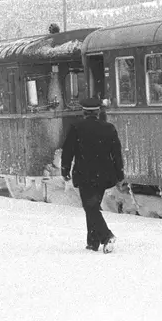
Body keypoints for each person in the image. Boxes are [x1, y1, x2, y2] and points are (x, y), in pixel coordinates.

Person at [61, 97, 124, 252]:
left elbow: (68, 150)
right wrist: (120, 174)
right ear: (98, 111)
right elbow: (116, 153)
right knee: (93, 206)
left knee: (90, 207)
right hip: (104, 174)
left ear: (83, 111)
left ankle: (106, 235)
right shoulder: (108, 128)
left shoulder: (76, 127)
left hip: (84, 174)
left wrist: (65, 169)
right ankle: (92, 242)